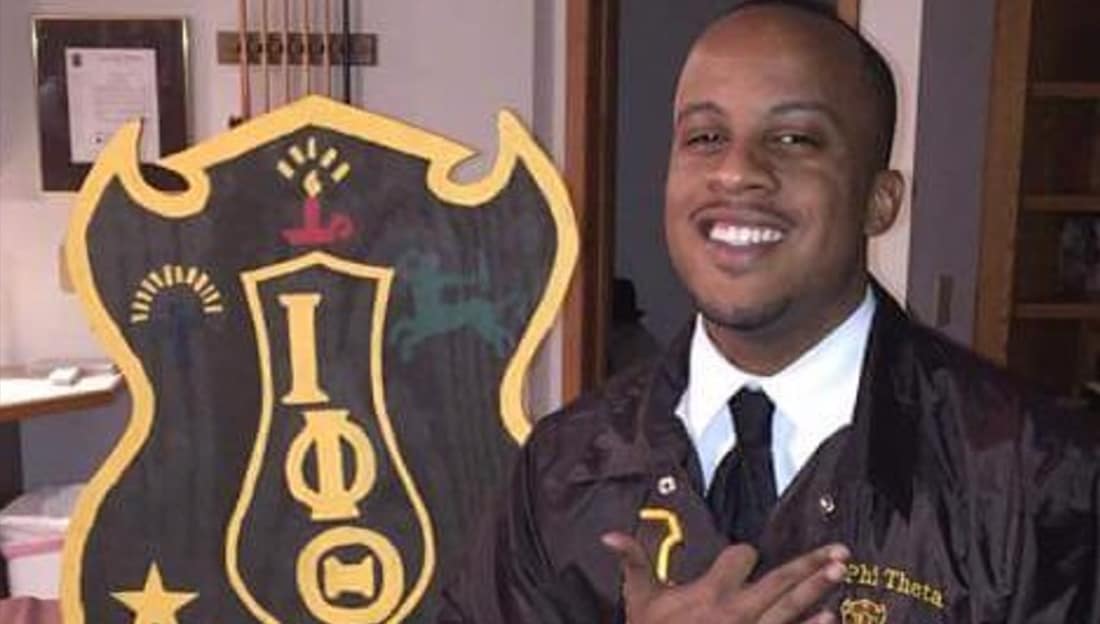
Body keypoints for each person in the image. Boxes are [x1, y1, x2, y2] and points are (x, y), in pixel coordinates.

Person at [439, 2, 1100, 622]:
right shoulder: (565, 468)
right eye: (705, 136)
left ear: (880, 201)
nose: (735, 172)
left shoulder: (1035, 479)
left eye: (793, 138)